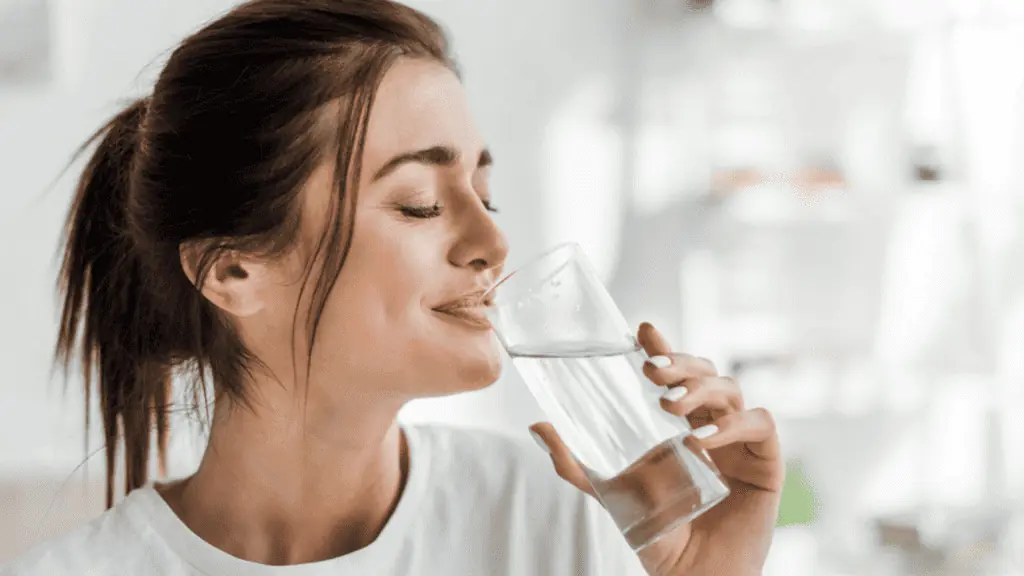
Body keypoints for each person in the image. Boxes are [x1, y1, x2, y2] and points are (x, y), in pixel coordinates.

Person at [2, 1, 782, 574]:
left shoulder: (557, 522)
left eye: (486, 193)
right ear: (234, 269)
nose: (493, 242)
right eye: (420, 204)